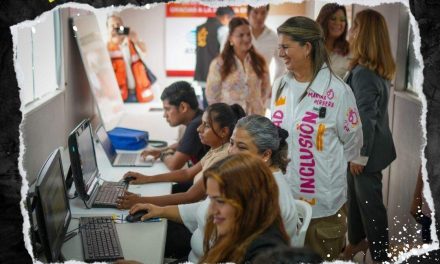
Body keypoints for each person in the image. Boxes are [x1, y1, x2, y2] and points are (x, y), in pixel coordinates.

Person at [128, 115, 298, 263]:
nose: (231, 152)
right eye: (232, 143)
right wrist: (160, 210)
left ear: (266, 155)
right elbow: (204, 208)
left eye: (242, 147)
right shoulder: (246, 177)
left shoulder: (268, 201)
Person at [271, 16, 363, 261]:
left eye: (285, 46)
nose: (280, 53)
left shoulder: (338, 92)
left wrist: (325, 162)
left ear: (307, 47)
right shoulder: (280, 86)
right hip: (284, 204)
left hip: (323, 207)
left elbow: (354, 142)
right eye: (279, 46)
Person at [342, 9, 397, 262]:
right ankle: (356, 242)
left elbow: (365, 120)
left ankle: (381, 256)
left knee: (371, 208)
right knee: (356, 202)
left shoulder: (365, 73)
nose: (350, 31)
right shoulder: (370, 70)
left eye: (354, 27)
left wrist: (358, 156)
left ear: (364, 35)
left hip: (366, 153)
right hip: (365, 152)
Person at [116, 103, 245, 209]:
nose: (198, 129)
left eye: (206, 125)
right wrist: (147, 178)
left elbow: (191, 196)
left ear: (224, 132)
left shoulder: (222, 158)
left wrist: (140, 200)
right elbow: (187, 173)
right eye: (201, 123)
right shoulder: (216, 149)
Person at [137, 81, 208, 171]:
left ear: (183, 107)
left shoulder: (196, 126)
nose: (164, 115)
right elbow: (181, 145)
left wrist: (163, 155)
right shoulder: (199, 116)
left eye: (167, 109)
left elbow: (174, 165)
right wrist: (160, 151)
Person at [206, 17, 271, 115]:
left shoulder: (260, 61)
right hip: (230, 120)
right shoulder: (219, 63)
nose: (246, 38)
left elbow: (265, 89)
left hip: (255, 120)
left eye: (249, 34)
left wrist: (257, 105)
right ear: (231, 38)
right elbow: (212, 96)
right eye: (241, 35)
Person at [106, 13, 155, 103]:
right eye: (112, 26)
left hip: (139, 93)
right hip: (119, 97)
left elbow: (145, 52)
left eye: (118, 25)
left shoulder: (131, 42)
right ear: (107, 29)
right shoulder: (106, 47)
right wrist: (109, 40)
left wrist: (135, 39)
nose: (116, 28)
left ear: (123, 27)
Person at [194, 6, 235, 109]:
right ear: (226, 17)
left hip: (201, 73)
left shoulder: (200, 28)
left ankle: (207, 124)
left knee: (206, 106)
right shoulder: (222, 29)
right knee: (218, 107)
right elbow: (225, 53)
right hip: (216, 74)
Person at [247, 5, 285, 82]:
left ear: (267, 13)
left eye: (263, 13)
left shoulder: (274, 37)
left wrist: (274, 86)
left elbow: (281, 64)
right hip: (238, 87)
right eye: (255, 12)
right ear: (248, 13)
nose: (259, 17)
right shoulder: (238, 35)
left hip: (263, 86)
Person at [316, 3, 350, 79]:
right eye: (333, 18)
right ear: (323, 20)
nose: (338, 23)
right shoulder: (310, 47)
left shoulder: (350, 51)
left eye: (342, 20)